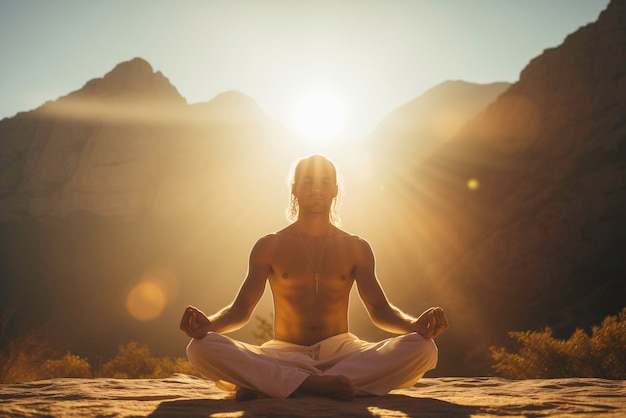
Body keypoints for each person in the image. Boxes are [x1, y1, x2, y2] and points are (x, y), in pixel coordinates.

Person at [180, 154, 448, 401]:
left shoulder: (356, 247)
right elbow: (241, 309)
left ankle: (280, 384)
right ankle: (315, 384)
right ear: (295, 188)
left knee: (424, 348)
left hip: (342, 353)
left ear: (334, 189)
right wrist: (209, 325)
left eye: (324, 182)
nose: (317, 188)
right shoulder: (270, 245)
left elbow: (379, 310)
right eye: (308, 182)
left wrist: (416, 326)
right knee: (200, 347)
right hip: (283, 353)